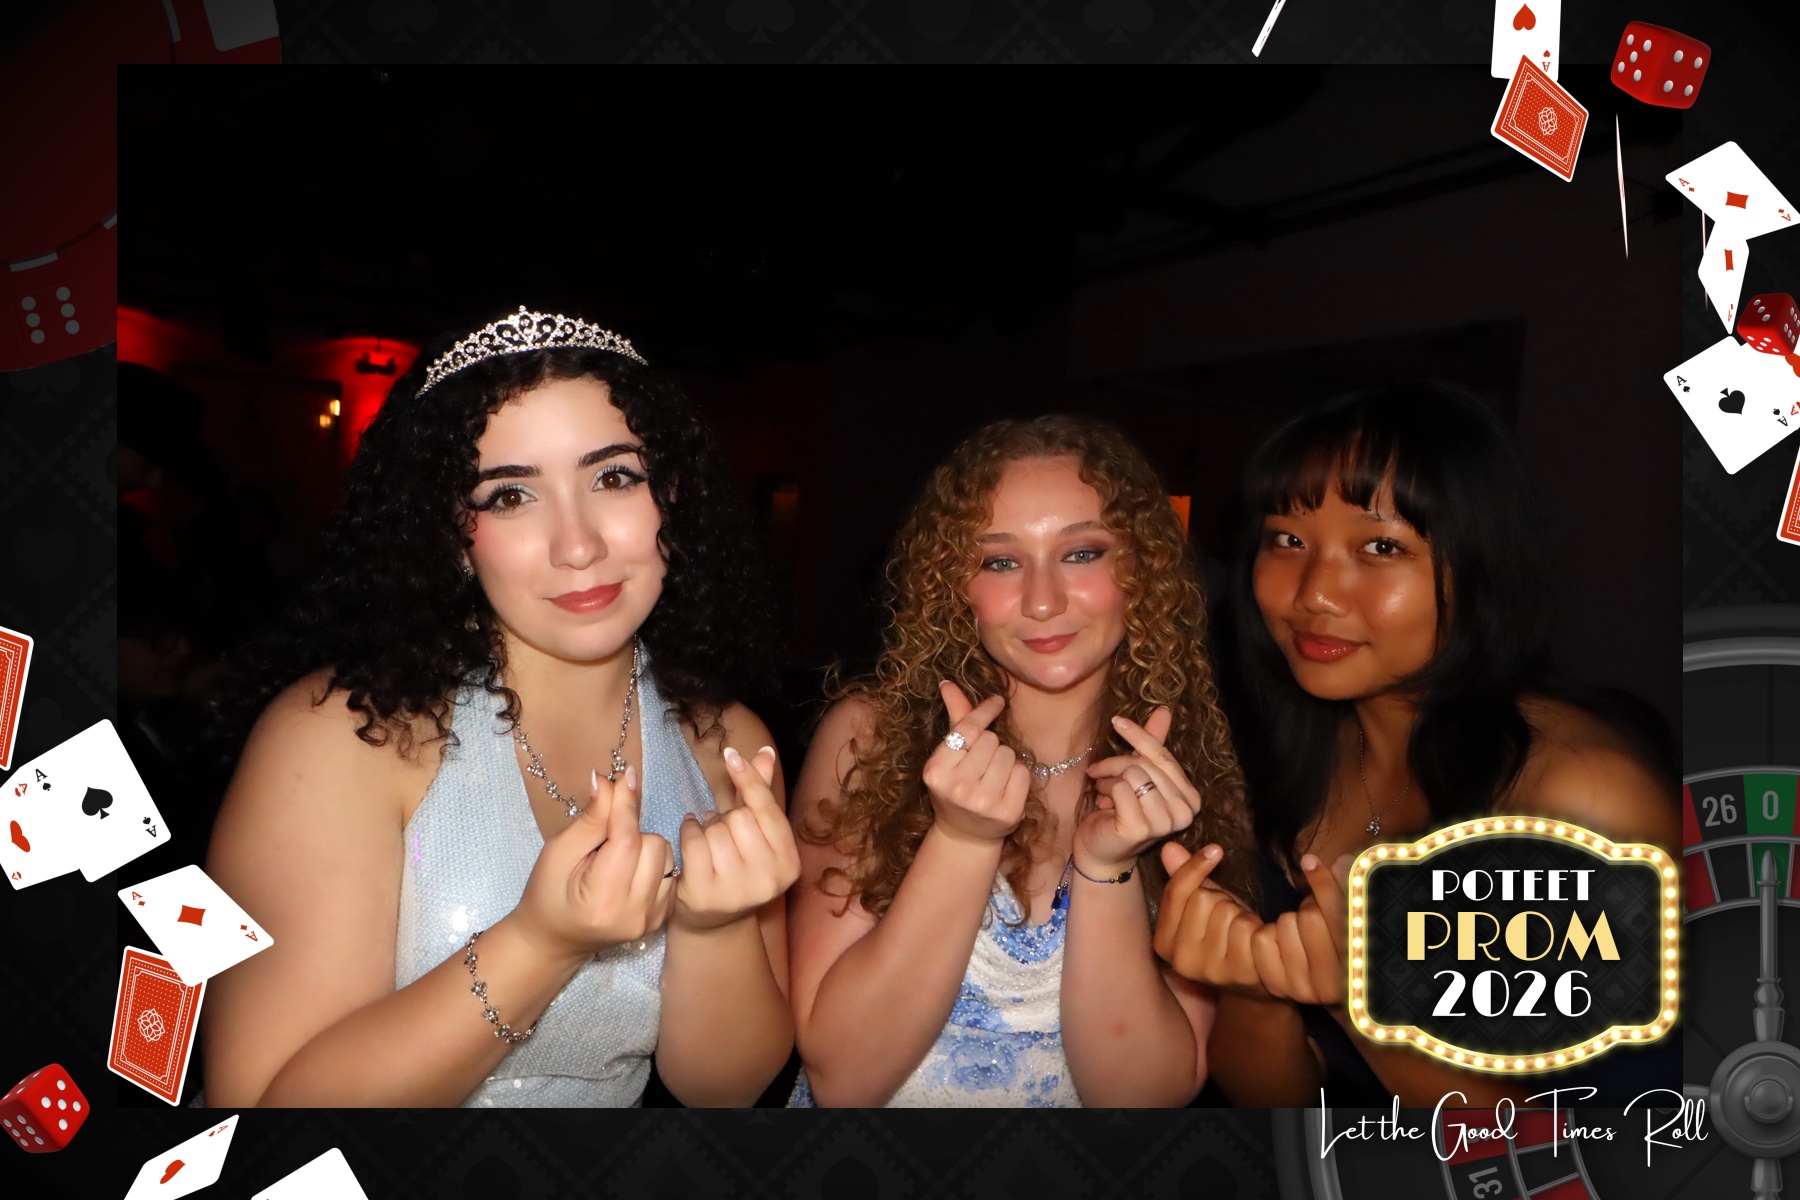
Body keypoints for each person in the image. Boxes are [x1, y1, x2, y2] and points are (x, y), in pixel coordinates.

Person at [201, 307, 799, 1107]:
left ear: (673, 496)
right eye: (511, 495)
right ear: (453, 532)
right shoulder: (341, 737)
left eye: (614, 477)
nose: (578, 545)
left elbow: (722, 1090)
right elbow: (261, 1111)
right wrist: (539, 944)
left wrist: (716, 929)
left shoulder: (727, 743)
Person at [1152, 383, 1680, 1107]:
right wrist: (1253, 986)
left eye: (1381, 546)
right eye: (1288, 540)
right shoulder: (1295, 748)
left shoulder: (1580, 798)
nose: (1315, 593)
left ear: (1481, 563)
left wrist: (1363, 1004)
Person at [786, 414, 1254, 1107]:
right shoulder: (871, 737)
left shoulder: (1189, 768)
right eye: (1000, 562)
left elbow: (1140, 1101)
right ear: (954, 585)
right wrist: (961, 840)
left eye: (1082, 553)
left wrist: (1106, 868)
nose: (1042, 601)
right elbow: (844, 1077)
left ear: (1144, 569)